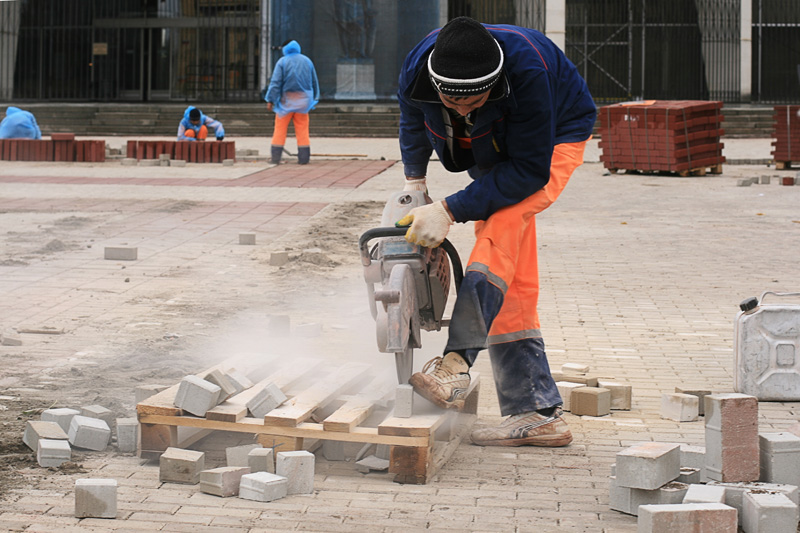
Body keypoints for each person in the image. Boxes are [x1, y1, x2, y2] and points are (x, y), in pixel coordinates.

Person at [396, 17, 596, 447]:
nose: (463, 110)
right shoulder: (417, 67)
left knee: (501, 227)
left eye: (475, 101)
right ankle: (536, 412)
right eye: (452, 102)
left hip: (552, 140)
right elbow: (413, 122)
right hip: (492, 143)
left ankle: (455, 362)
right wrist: (416, 187)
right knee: (512, 272)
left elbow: (528, 171)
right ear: (435, 84)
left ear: (495, 83)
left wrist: (449, 209)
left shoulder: (528, 71)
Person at [264, 39, 320, 165]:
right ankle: (304, 159)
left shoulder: (282, 62)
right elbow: (314, 81)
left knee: (280, 129)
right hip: (303, 102)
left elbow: (275, 83)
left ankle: (275, 158)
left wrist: (270, 100)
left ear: (285, 49)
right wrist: (314, 98)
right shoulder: (307, 61)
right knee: (302, 130)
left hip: (286, 102)